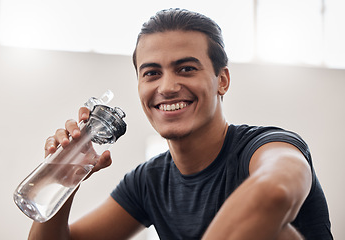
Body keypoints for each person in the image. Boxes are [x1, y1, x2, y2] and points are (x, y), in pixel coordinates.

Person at [29, 8, 333, 240]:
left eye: (186, 69)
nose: (168, 87)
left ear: (222, 80)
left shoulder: (267, 148)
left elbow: (275, 190)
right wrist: (61, 184)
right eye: (151, 73)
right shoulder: (149, 181)